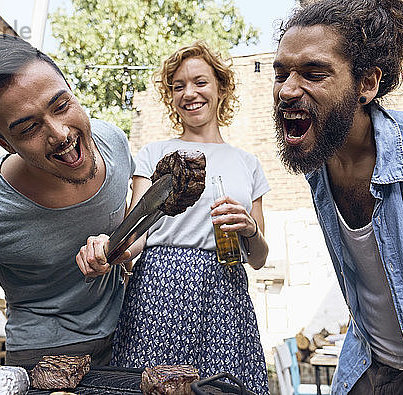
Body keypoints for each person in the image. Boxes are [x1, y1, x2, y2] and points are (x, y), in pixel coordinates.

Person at [272, 0, 403, 394]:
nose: (286, 90)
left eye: (314, 73)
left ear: (366, 85)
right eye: (281, 73)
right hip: (367, 371)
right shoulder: (318, 163)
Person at [0, 34, 134, 368]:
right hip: (42, 358)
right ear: (3, 142)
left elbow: (124, 220)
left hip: (129, 334)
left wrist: (120, 251)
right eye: (28, 129)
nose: (60, 133)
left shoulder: (114, 143)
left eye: (61, 106)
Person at [81, 41, 270, 394]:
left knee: (220, 387)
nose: (189, 93)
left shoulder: (248, 164)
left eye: (200, 82)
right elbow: (136, 235)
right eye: (178, 86)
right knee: (153, 384)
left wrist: (250, 228)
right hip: (158, 288)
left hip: (224, 290)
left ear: (221, 88)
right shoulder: (155, 153)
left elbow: (259, 258)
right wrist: (111, 250)